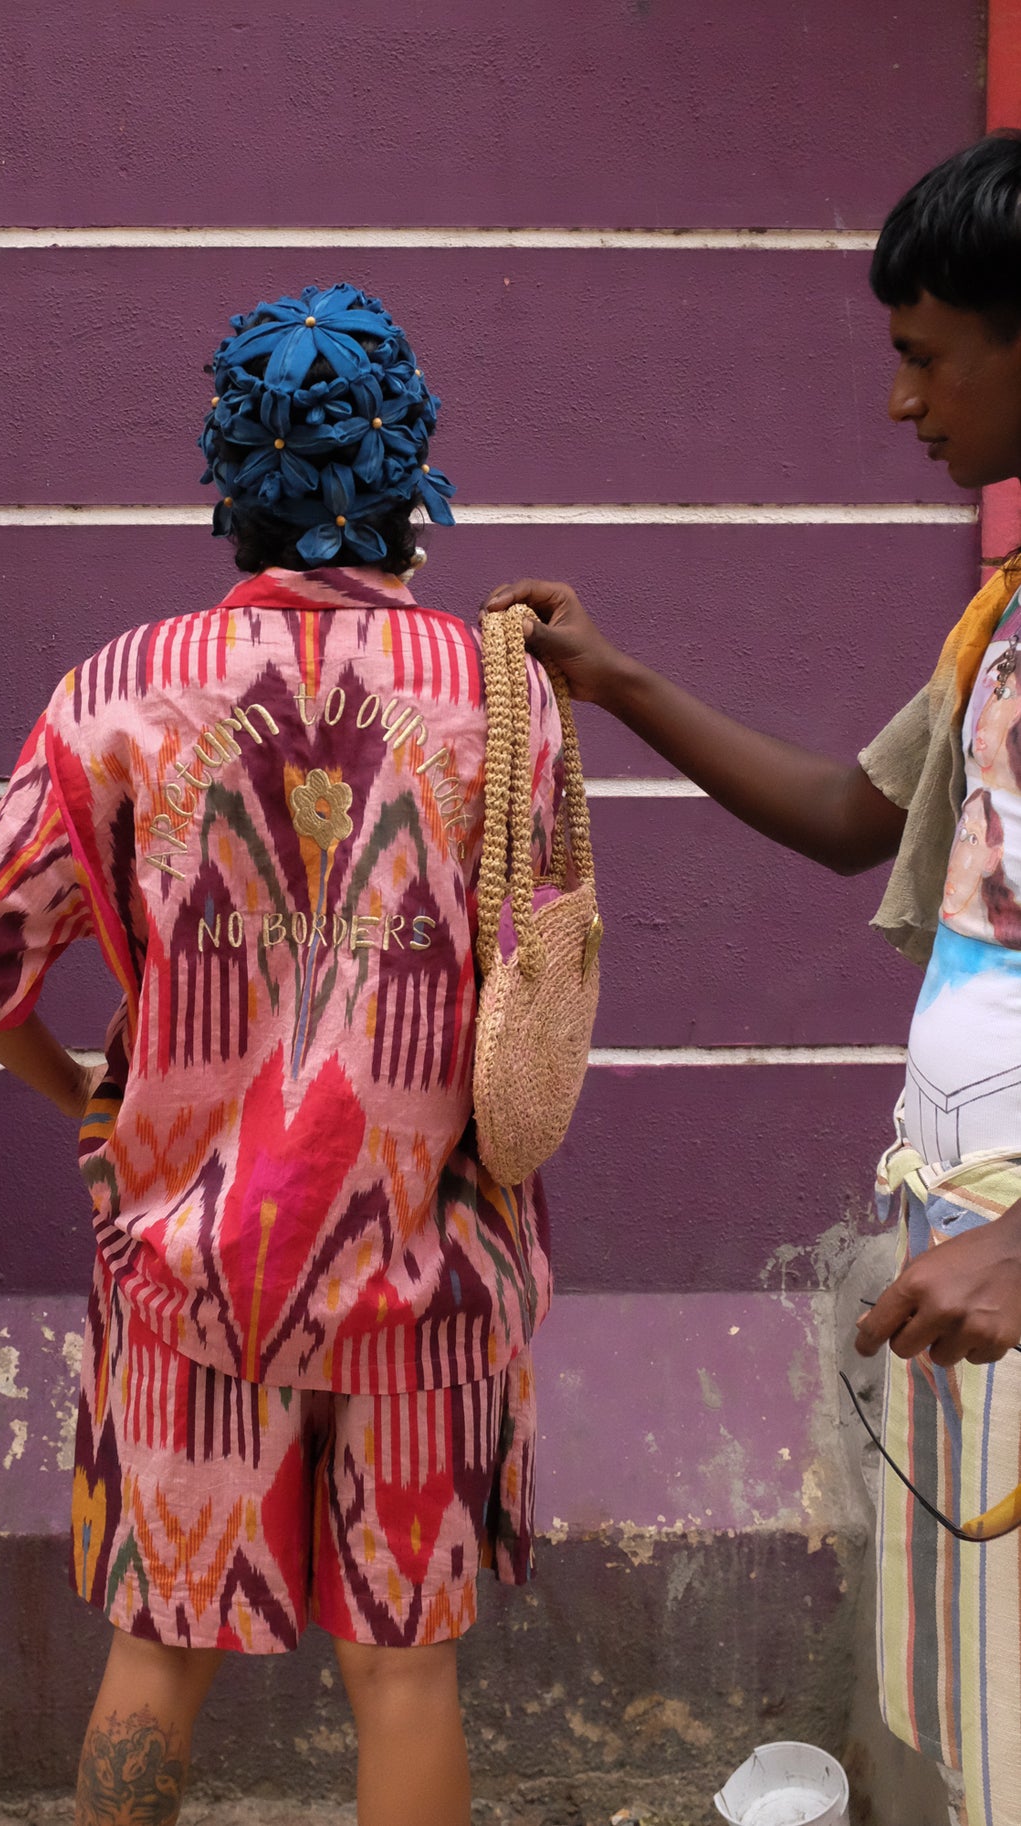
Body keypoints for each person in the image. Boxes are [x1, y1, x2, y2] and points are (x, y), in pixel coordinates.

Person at [0, 283, 562, 1826]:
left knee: (155, 1650)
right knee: (403, 1677)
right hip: (433, 1267)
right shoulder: (505, 696)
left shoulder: (114, 692)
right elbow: (538, 973)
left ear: (229, 480)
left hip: (190, 1268)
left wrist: (93, 1105)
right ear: (407, 476)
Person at [484, 132, 1021, 1826]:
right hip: (963, 1241)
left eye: (924, 355)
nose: (900, 402)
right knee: (986, 1713)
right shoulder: (999, 621)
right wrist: (617, 679)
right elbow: (852, 819)